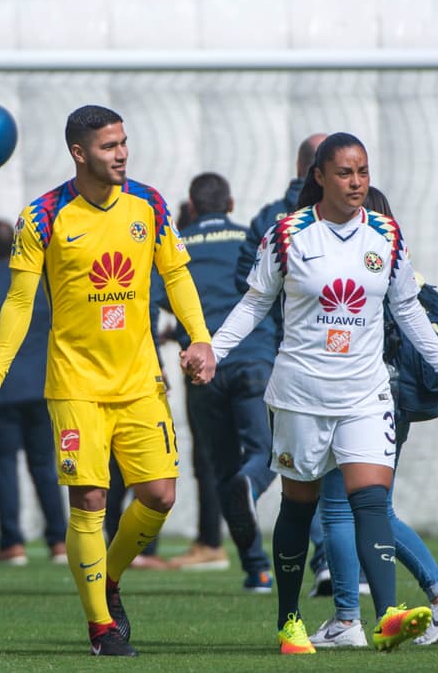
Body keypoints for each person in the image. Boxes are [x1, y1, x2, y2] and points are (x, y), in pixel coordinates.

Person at [0, 105, 216, 657]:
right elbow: (19, 300)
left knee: (160, 495)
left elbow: (175, 273)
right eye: (110, 146)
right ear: (79, 153)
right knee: (90, 499)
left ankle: (105, 578)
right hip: (75, 383)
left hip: (139, 381)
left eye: (124, 143)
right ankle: (101, 627)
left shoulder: (150, 204)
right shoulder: (41, 216)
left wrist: (200, 337)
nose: (122, 154)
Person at [211, 132, 438, 654]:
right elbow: (256, 302)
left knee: (370, 498)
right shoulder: (288, 234)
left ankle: (389, 615)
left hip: (366, 392)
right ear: (319, 176)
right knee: (299, 509)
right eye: (345, 173)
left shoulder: (386, 235)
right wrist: (214, 350)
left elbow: (408, 308)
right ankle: (289, 621)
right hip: (301, 393)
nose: (357, 182)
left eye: (363, 172)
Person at [310, 186, 438, 649]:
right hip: (395, 403)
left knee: (343, 508)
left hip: (362, 398)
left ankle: (352, 617)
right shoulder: (408, 271)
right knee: (373, 507)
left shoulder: (362, 269)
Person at [155, 173, 274, 586]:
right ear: (231, 202)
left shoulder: (177, 245)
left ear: (192, 202)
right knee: (270, 452)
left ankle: (257, 569)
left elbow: (151, 304)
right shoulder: (252, 240)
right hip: (256, 360)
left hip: (201, 370)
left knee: (220, 467)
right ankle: (252, 483)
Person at [234, 133, 329, 592]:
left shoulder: (268, 219)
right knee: (331, 465)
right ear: (323, 170)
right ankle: (331, 562)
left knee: (298, 465)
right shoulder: (358, 216)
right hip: (337, 358)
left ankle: (250, 485)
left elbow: (246, 280)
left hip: (277, 355)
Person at [0, 220, 67, 565]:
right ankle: (58, 541)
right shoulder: (42, 287)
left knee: (4, 467)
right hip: (41, 389)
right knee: (45, 467)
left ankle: (13, 542)